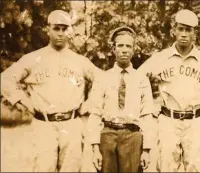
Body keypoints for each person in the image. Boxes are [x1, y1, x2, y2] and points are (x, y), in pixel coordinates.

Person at [1, 10, 102, 172]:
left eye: (64, 28)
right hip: (43, 125)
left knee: (71, 169)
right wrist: (22, 100)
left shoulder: (80, 61)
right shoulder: (34, 59)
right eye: (56, 28)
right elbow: (4, 80)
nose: (60, 33)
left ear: (69, 30)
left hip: (72, 124)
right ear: (48, 29)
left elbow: (103, 81)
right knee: (44, 168)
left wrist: (89, 103)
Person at [138, 9, 200, 172]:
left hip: (196, 121)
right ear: (174, 30)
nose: (183, 34)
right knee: (167, 167)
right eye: (180, 28)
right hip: (168, 120)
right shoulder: (161, 58)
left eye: (188, 29)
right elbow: (137, 79)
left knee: (196, 167)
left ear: (195, 33)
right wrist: (148, 107)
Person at [87, 26, 156, 172]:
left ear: (133, 50)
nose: (124, 50)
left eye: (128, 46)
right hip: (108, 135)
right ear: (113, 49)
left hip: (132, 136)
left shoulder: (141, 79)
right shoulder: (103, 78)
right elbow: (94, 114)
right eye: (120, 45)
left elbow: (147, 115)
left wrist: (147, 150)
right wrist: (95, 149)